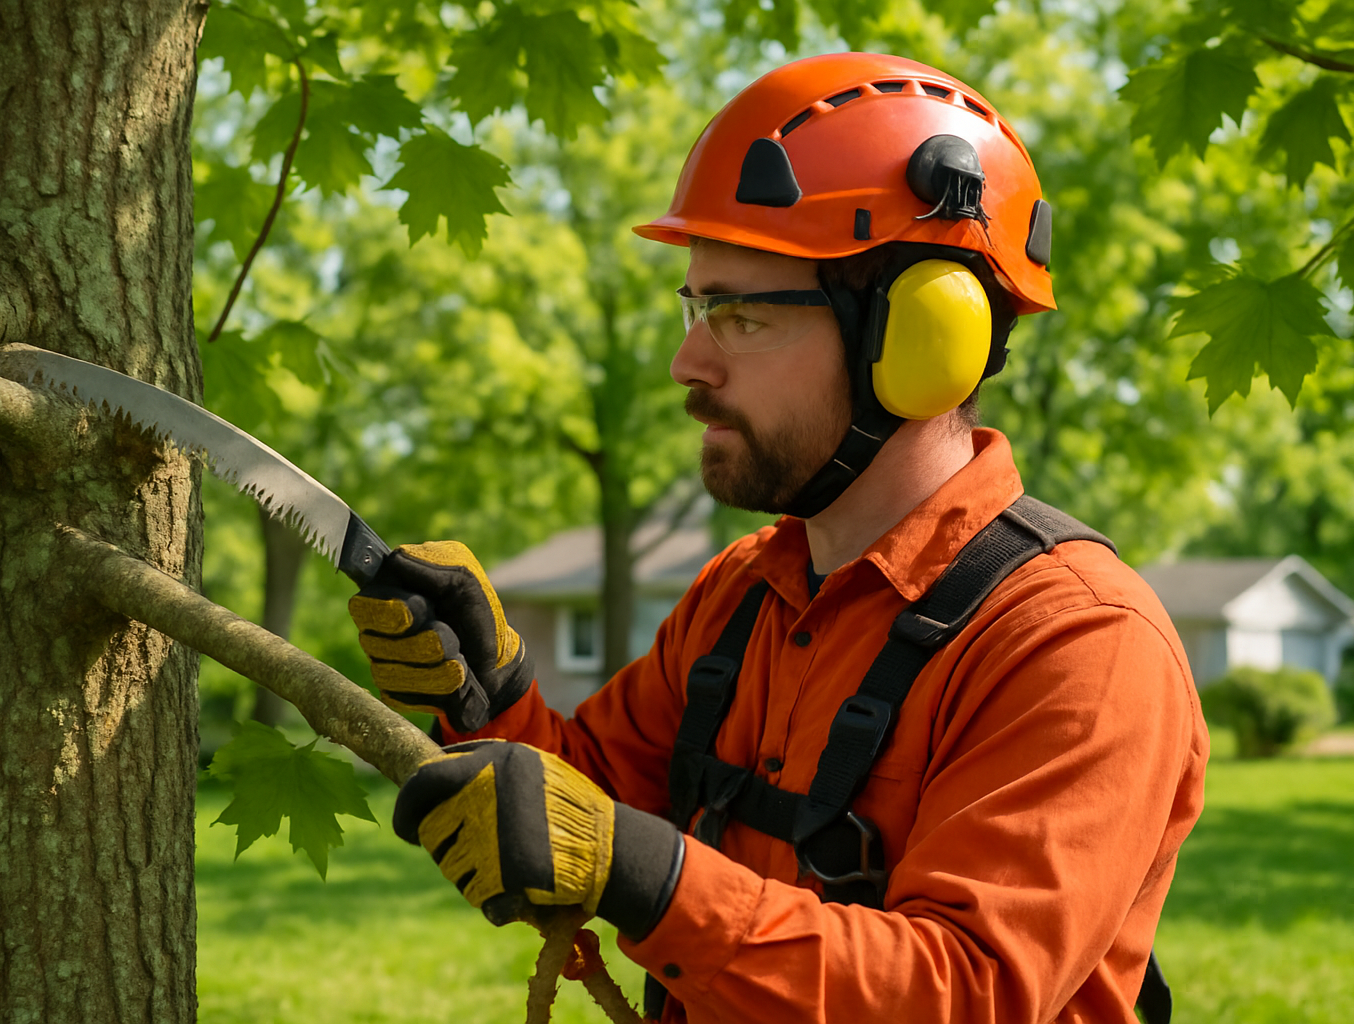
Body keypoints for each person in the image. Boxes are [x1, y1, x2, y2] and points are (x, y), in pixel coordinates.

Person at [349, 52, 1208, 1023]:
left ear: (921, 337)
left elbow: (969, 992)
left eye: (741, 316)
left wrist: (658, 879)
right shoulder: (744, 594)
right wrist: (488, 694)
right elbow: (586, 806)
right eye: (695, 305)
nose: (688, 362)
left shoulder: (1078, 642)